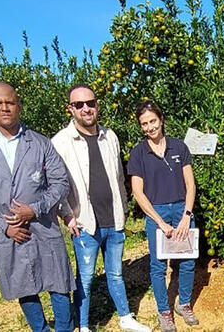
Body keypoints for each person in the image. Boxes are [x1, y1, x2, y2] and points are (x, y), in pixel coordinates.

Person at [0, 82, 75, 332]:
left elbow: (59, 182)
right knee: (23, 283)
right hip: (7, 229)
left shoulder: (40, 143)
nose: (5, 108)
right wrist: (4, 225)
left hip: (43, 224)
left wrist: (35, 208)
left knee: (58, 281)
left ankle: (65, 329)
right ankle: (40, 329)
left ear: (18, 105)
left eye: (10, 102)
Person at [52, 84, 150, 332]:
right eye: (79, 105)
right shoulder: (60, 142)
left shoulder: (110, 136)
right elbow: (54, 183)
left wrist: (124, 209)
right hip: (84, 222)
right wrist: (67, 215)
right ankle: (83, 326)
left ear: (97, 105)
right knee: (85, 278)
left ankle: (125, 317)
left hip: (114, 219)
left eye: (91, 103)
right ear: (70, 109)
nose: (86, 108)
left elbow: (118, 177)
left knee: (115, 273)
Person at [127, 101, 198, 332]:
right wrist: (159, 221)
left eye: (152, 121)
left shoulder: (179, 147)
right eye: (144, 124)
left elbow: (190, 184)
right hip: (156, 211)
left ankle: (184, 304)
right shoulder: (138, 153)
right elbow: (137, 192)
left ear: (161, 120)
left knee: (187, 261)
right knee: (158, 266)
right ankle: (164, 312)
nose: (149, 127)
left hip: (181, 208)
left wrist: (187, 215)